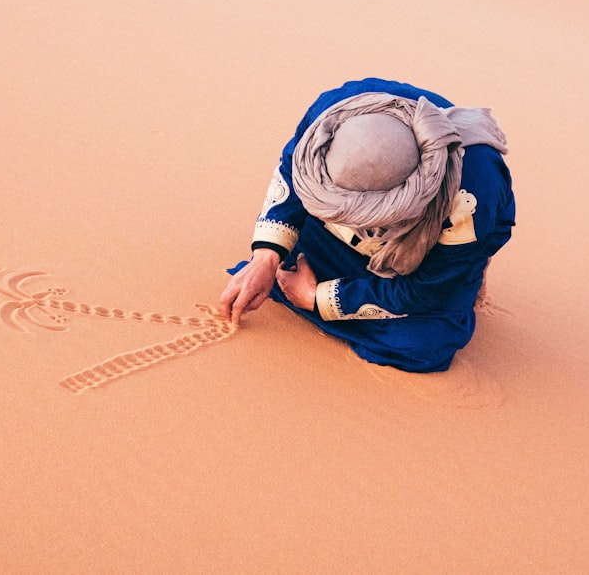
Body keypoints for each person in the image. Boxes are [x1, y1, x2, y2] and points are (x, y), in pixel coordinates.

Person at [219, 77, 515, 373]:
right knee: (275, 265)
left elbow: (426, 291)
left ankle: (470, 272)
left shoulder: (472, 193)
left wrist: (316, 299)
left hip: (435, 248)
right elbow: (290, 174)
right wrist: (265, 259)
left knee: (424, 345)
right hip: (331, 228)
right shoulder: (331, 112)